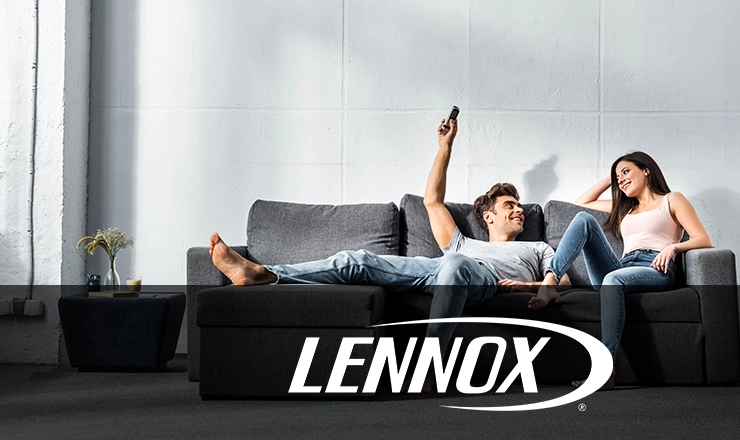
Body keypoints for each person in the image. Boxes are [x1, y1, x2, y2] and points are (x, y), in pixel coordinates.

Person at [207, 115, 569, 366]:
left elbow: (564, 281)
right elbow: (432, 201)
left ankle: (431, 366)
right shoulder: (461, 243)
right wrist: (445, 146)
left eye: (521, 205)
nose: (519, 209)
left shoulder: (535, 248)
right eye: (510, 205)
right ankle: (265, 275)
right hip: (440, 269)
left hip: (481, 280)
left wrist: (526, 284)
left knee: (456, 265)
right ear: (488, 216)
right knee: (357, 260)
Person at [527, 151, 713, 390]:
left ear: (646, 169)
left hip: (655, 267)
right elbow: (581, 204)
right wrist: (612, 179)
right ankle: (550, 282)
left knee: (613, 279)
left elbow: (703, 239)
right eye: (618, 176)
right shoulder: (626, 207)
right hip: (622, 267)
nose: (621, 179)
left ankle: (606, 370)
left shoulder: (672, 200)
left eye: (626, 172)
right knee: (584, 218)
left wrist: (674, 247)